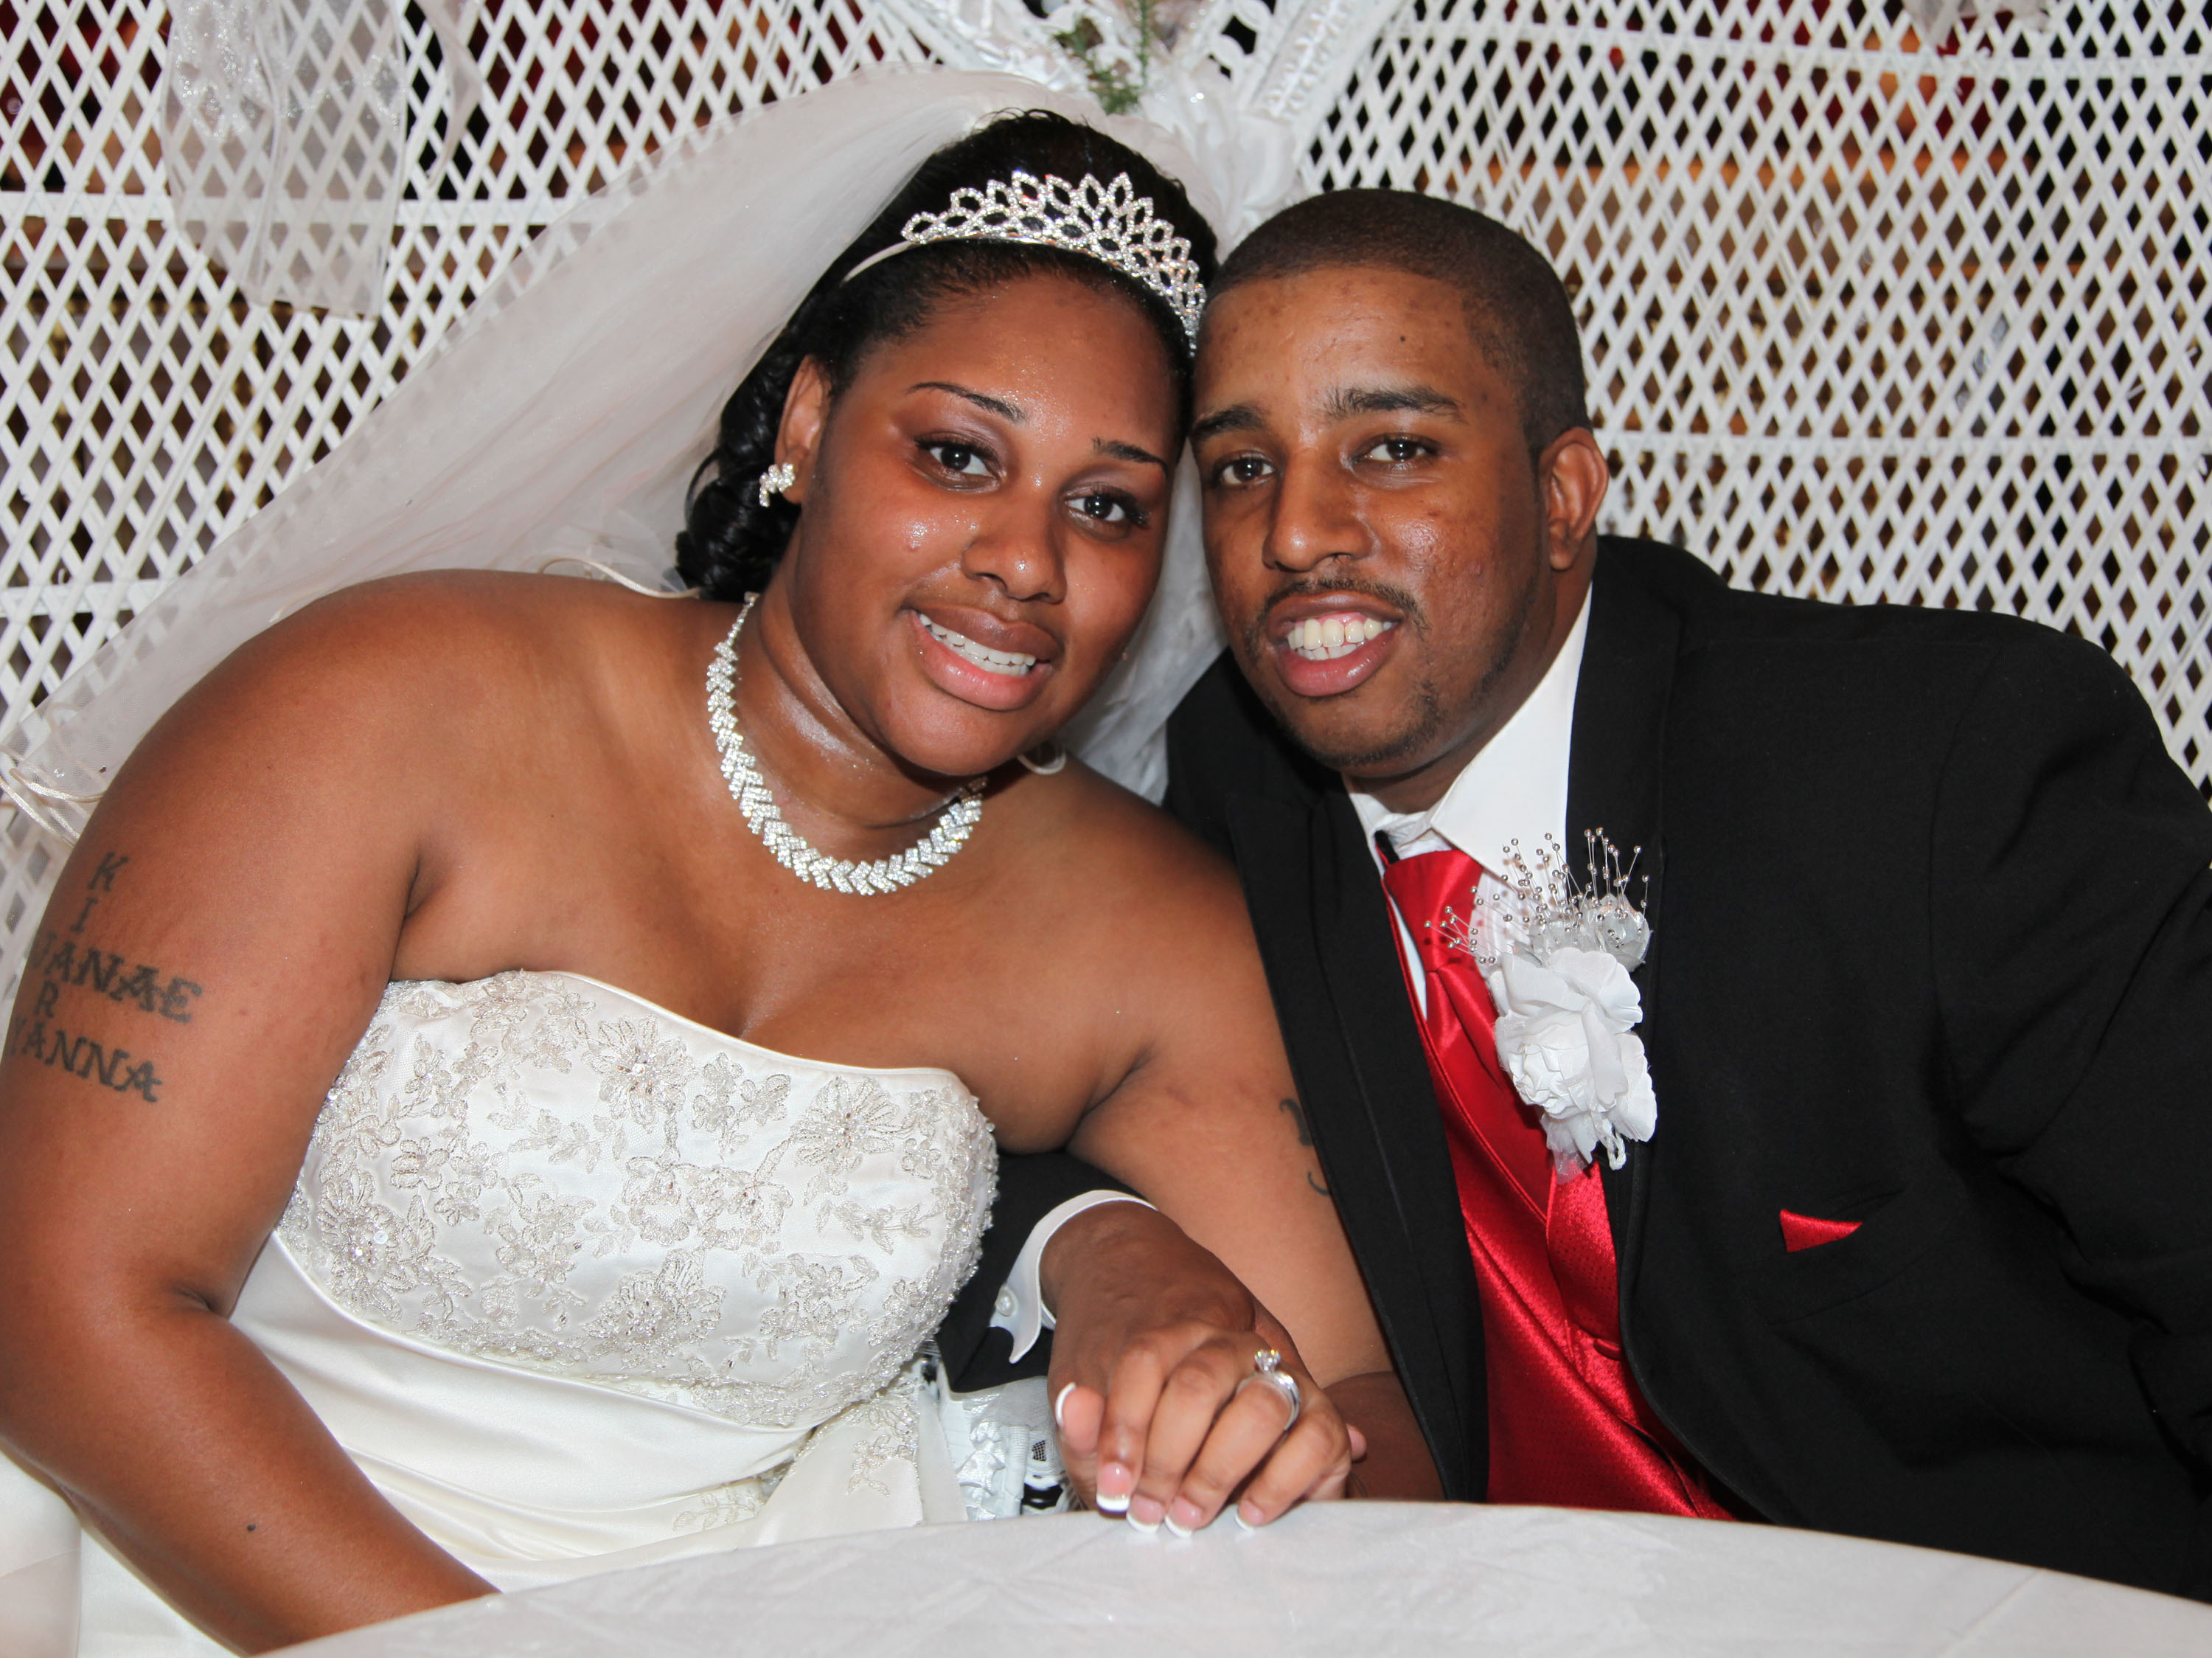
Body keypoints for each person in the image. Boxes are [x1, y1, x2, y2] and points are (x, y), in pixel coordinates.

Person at [0, 83, 1422, 1657]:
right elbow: (61, 1306)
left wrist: (1234, 1399)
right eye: (958, 456)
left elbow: (1370, 1415)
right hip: (197, 1578)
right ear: (807, 428)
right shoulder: (385, 706)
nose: (1027, 561)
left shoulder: (1139, 928)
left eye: (1105, 506)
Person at [1036, 183, 2212, 1595]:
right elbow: (994, 1037)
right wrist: (1102, 1242)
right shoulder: (1230, 787)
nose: (1296, 533)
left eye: (1393, 448)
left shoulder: (1939, 771)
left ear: (1563, 497)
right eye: (1241, 467)